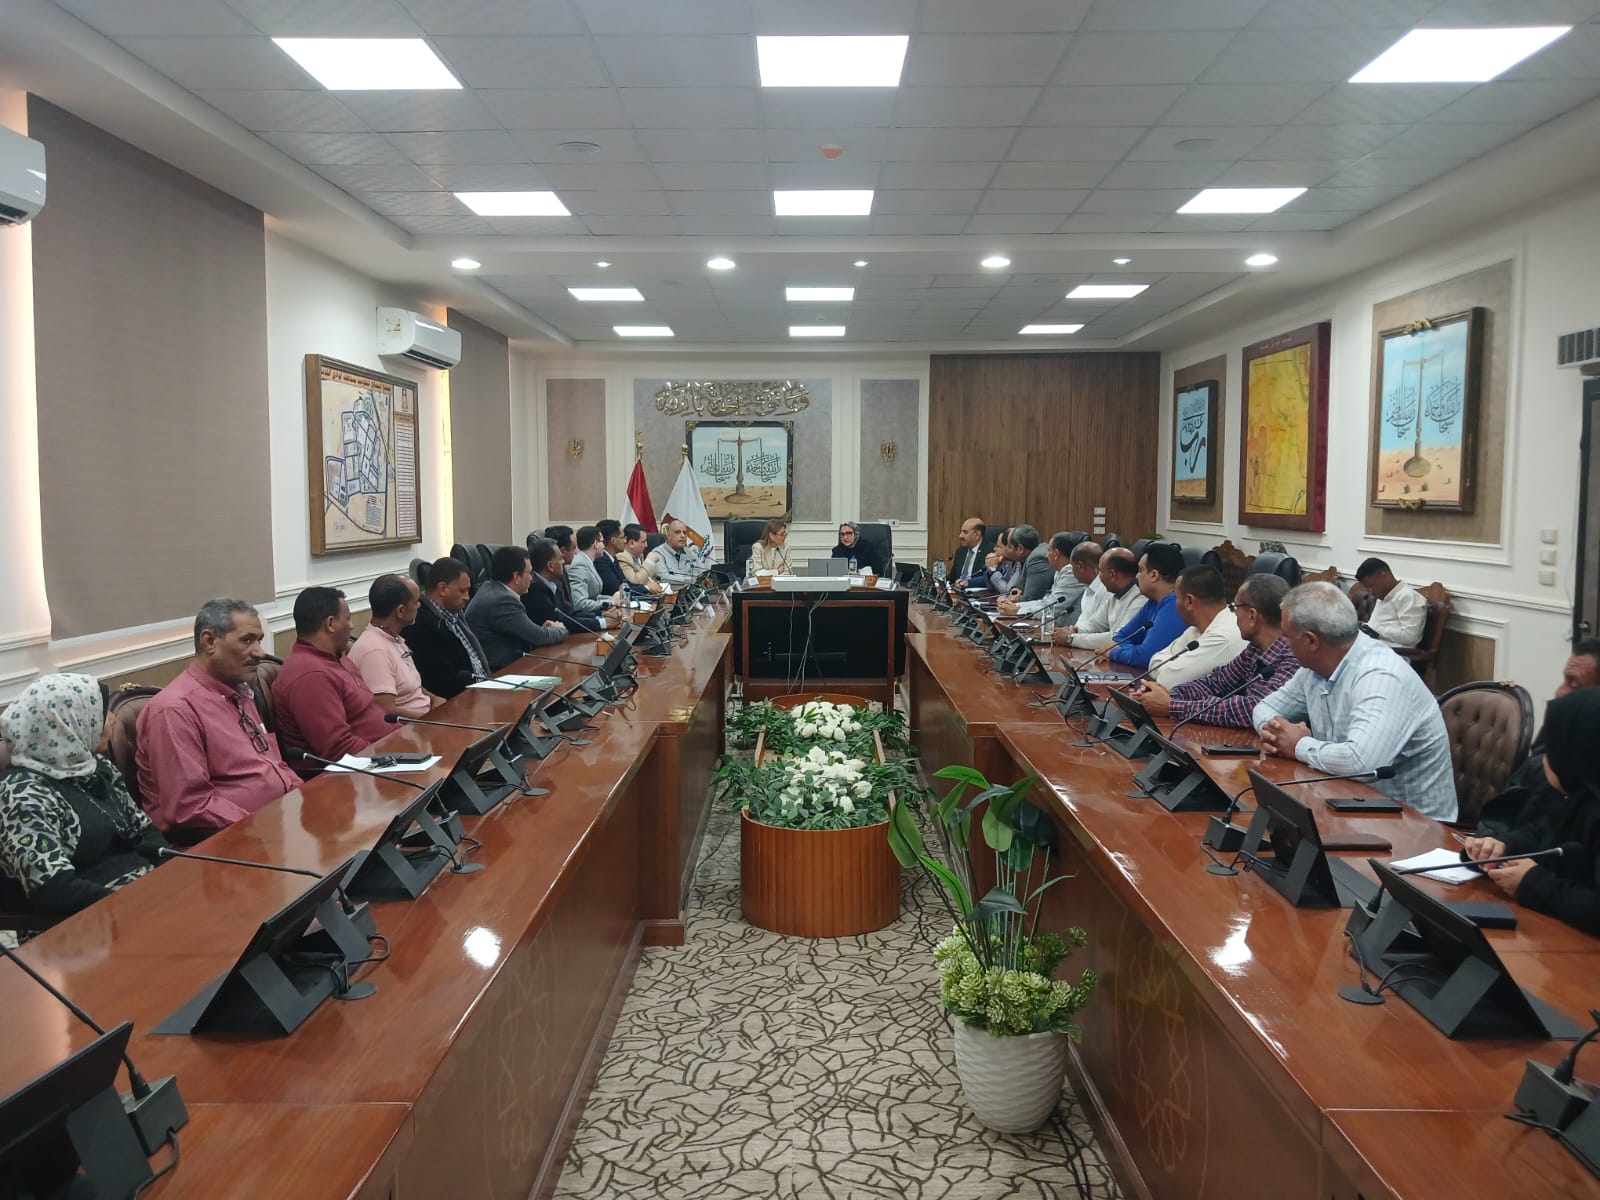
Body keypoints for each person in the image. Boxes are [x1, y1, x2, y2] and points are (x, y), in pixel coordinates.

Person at [1253, 582, 1455, 821]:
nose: (1281, 642)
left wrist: (1297, 745)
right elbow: (1264, 708)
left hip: (1414, 824)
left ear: (1311, 641)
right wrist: (1276, 733)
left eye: (1286, 636)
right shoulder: (1313, 669)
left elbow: (1361, 763)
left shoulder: (1381, 676)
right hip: (1345, 802)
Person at [0, 675, 166, 918]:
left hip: (144, 894)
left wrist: (170, 877)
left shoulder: (95, 767)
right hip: (86, 920)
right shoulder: (21, 795)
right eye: (101, 713)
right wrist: (133, 907)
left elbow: (145, 831)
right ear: (64, 724)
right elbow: (55, 892)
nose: (113, 718)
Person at [136, 598, 300, 833]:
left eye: (259, 640)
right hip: (226, 841)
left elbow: (274, 765)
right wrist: (260, 827)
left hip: (277, 823)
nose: (259, 652)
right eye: (247, 640)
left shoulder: (239, 691)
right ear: (209, 641)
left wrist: (305, 799)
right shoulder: (174, 710)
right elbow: (190, 807)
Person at [1463, 689, 1600, 935]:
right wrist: (1500, 846)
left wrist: (1532, 882)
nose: (1542, 760)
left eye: (1551, 750)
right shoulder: (1576, 796)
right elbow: (1543, 835)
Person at [1470, 640, 1600, 851]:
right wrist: (1496, 844)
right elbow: (1531, 822)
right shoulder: (1557, 735)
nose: (1559, 692)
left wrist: (1532, 870)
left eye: (1575, 685)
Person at [1135, 575, 1297, 728]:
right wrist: (1166, 696)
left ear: (1252, 615)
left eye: (1234, 607)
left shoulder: (1293, 657)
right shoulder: (1255, 649)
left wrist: (1172, 706)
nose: (1233, 614)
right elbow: (1216, 682)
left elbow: (1254, 709)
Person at [273, 586, 392, 777]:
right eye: (348, 618)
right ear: (330, 624)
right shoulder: (310, 675)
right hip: (355, 775)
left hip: (382, 757)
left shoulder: (337, 659)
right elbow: (338, 749)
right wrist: (392, 755)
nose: (352, 626)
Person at [1141, 565, 1246, 688]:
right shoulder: (1197, 628)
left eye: (1176, 597)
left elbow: (1168, 680)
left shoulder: (1223, 635)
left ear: (1189, 601)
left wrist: (1172, 666)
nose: (1175, 602)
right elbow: (1154, 662)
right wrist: (1172, 667)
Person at [348, 574, 436, 718]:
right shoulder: (374, 651)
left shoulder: (393, 638)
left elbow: (409, 688)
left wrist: (434, 699)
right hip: (413, 727)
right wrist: (432, 720)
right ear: (400, 611)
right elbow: (386, 712)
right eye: (416, 602)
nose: (419, 606)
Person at [468, 544, 568, 670]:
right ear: (516, 577)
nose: (532, 578)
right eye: (530, 573)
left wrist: (542, 630)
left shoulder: (492, 589)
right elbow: (538, 637)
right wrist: (560, 629)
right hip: (501, 671)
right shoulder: (502, 600)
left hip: (512, 664)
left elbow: (529, 633)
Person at [404, 557, 491, 700]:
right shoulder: (422, 625)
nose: (467, 597)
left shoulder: (455, 614)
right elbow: (443, 683)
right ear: (442, 589)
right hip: (462, 701)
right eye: (462, 591)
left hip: (483, 690)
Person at [1106, 543, 1188, 670]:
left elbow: (1146, 657)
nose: (1137, 576)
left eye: (1140, 570)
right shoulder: (1153, 601)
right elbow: (1119, 638)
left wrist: (1113, 652)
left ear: (1154, 575)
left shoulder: (1174, 606)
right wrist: (1135, 650)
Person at [1059, 548, 1143, 651]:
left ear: (1112, 574)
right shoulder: (1116, 595)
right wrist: (1076, 630)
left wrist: (1071, 639)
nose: (1098, 576)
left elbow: (1118, 638)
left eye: (1100, 571)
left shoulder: (1140, 599)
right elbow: (1095, 624)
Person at [999, 533, 1088, 623]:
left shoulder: (1071, 572)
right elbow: (1045, 602)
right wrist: (1016, 606)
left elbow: (1053, 606)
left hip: (1068, 629)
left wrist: (1018, 611)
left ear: (1056, 554)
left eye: (1048, 550)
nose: (1046, 555)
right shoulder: (1059, 571)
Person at [1354, 557, 1426, 648]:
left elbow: (1410, 637)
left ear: (1383, 575)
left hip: (1394, 652)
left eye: (1371, 586)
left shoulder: (1408, 596)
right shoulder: (1383, 594)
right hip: (1372, 645)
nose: (1370, 592)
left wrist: (1373, 629)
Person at [567, 525, 624, 628]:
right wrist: (610, 602)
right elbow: (579, 603)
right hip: (584, 622)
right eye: (602, 542)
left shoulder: (588, 562)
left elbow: (594, 595)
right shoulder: (578, 565)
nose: (604, 546)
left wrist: (613, 600)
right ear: (596, 544)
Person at [646, 518, 701, 588]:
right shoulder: (657, 553)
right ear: (668, 536)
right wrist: (690, 580)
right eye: (678, 532)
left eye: (684, 532)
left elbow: (702, 571)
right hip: (670, 593)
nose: (682, 536)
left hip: (690, 592)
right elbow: (664, 578)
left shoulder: (689, 552)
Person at [1003, 525, 1051, 603]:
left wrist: (1009, 599)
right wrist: (1015, 590)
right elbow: (1019, 585)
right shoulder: (1027, 557)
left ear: (1020, 549)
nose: (1006, 550)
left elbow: (1030, 599)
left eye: (1009, 547)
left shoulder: (1037, 559)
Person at [619, 524, 664, 595]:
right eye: (643, 542)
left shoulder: (640, 554)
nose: (646, 545)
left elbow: (647, 578)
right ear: (631, 543)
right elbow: (635, 583)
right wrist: (649, 562)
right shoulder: (622, 557)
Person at [950, 517, 992, 586]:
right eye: (961, 532)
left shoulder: (990, 551)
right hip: (959, 591)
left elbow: (988, 578)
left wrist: (969, 583)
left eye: (965, 532)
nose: (960, 536)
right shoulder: (960, 551)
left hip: (978, 591)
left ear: (977, 535)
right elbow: (952, 578)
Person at [595, 519, 630, 595]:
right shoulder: (601, 561)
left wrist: (646, 587)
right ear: (613, 540)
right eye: (623, 538)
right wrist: (646, 588)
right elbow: (617, 589)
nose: (625, 541)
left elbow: (626, 583)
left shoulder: (613, 558)